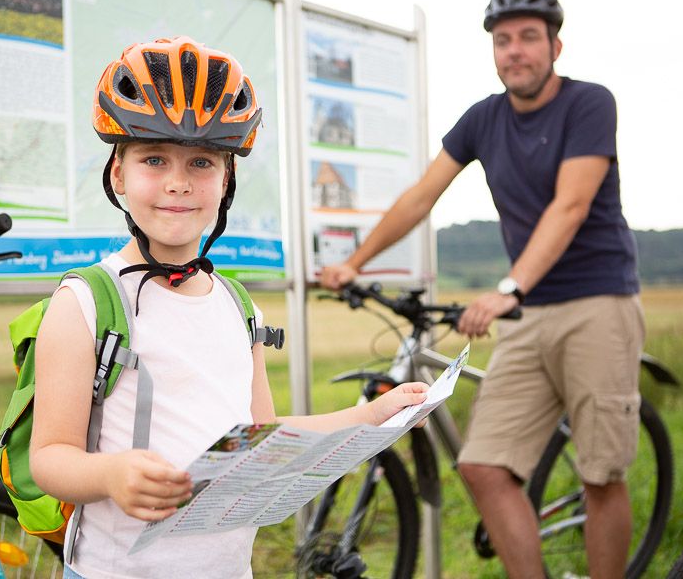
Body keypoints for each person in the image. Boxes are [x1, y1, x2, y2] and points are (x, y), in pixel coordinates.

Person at [29, 36, 429, 579]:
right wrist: (110, 474)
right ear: (118, 174)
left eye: (201, 162)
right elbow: (50, 456)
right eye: (153, 158)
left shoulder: (237, 306)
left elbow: (259, 439)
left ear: (226, 178)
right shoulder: (86, 302)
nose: (177, 183)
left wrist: (369, 416)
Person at [321, 0, 644, 578]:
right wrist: (356, 262)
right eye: (502, 41)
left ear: (555, 46)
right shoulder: (483, 118)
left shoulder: (589, 103)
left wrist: (508, 289)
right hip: (526, 315)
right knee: (484, 467)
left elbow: (569, 207)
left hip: (597, 302)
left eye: (527, 37)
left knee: (601, 474)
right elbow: (421, 196)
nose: (514, 51)